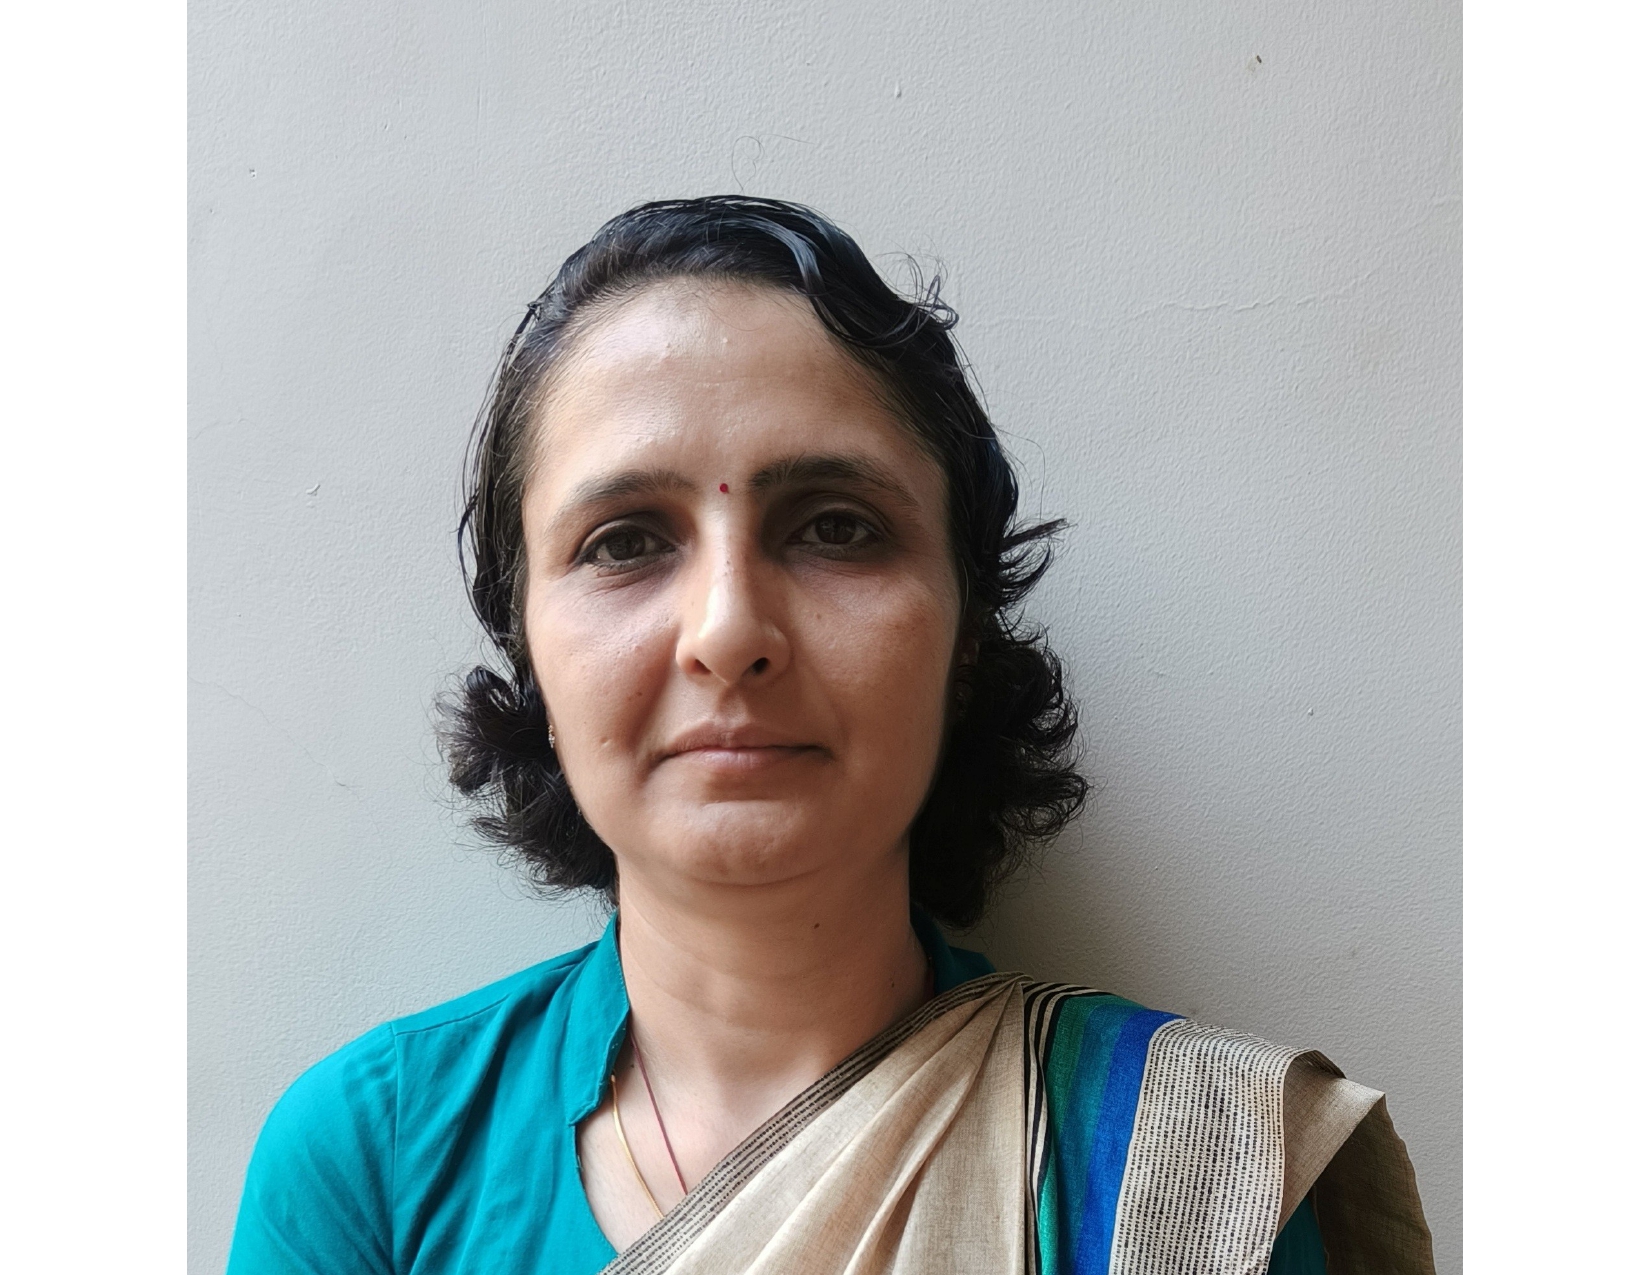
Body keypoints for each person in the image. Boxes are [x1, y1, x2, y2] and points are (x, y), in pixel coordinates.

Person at [225, 196, 1433, 1274]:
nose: (729, 631)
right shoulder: (376, 1160)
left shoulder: (1191, 1170)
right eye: (626, 541)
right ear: (530, 652)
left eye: (837, 527)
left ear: (966, 633)